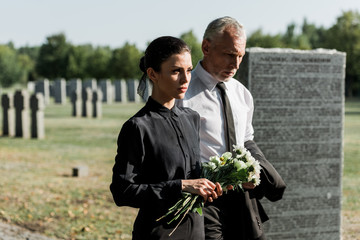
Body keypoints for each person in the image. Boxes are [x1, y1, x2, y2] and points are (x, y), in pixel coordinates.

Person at [178, 16, 286, 240]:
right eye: (229, 54)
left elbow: (246, 140)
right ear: (206, 47)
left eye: (240, 56)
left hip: (241, 199)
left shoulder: (242, 93)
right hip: (203, 201)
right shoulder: (183, 93)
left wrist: (258, 171)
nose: (236, 64)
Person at [110, 36, 222, 240]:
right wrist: (179, 186)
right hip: (159, 233)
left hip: (196, 230)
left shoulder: (192, 118)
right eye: (175, 71)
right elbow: (122, 191)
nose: (186, 79)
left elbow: (192, 175)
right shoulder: (137, 127)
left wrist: (214, 182)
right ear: (152, 73)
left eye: (188, 70)